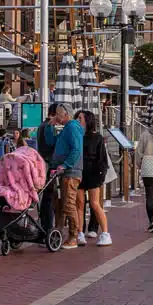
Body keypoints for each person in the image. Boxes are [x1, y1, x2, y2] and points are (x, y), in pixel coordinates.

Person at [48, 103, 85, 248]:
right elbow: (53, 142)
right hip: (66, 171)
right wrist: (51, 127)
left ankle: (74, 236)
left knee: (69, 204)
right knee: (64, 204)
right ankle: (61, 233)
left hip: (71, 172)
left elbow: (76, 150)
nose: (57, 117)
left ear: (66, 115)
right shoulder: (66, 129)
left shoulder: (72, 128)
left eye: (59, 114)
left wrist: (65, 164)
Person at [76, 110, 112, 246]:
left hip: (93, 174)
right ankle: (80, 233)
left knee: (95, 204)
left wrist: (101, 176)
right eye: (77, 118)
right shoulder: (77, 135)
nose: (78, 120)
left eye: (80, 118)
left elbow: (102, 159)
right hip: (79, 172)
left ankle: (105, 233)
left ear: (87, 120)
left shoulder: (97, 138)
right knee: (79, 204)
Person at [36, 104, 62, 234]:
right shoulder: (48, 126)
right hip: (48, 163)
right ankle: (47, 227)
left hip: (43, 162)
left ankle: (44, 225)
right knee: (48, 197)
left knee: (46, 197)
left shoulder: (42, 125)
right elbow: (51, 143)